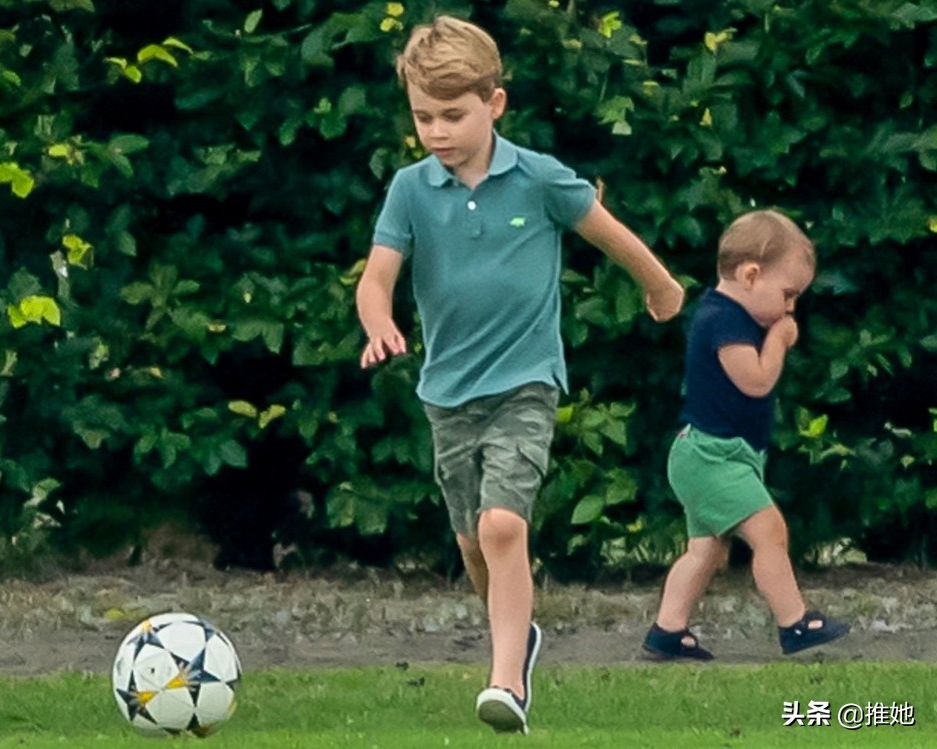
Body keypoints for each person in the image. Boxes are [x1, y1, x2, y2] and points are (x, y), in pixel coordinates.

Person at [355, 15, 684, 734]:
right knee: (475, 541)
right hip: (446, 393)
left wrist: (661, 286)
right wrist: (378, 321)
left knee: (503, 525)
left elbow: (611, 233)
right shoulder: (410, 190)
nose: (436, 131)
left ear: (494, 104)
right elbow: (377, 276)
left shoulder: (538, 177)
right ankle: (521, 633)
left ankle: (507, 680)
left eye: (452, 115)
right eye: (422, 117)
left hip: (526, 381)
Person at [642, 210, 850, 661]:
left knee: (706, 551)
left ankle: (667, 630)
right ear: (751, 275)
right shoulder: (723, 320)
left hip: (719, 455)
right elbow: (753, 380)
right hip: (711, 456)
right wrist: (778, 340)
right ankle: (795, 622)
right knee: (769, 531)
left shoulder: (729, 315)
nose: (791, 308)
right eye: (788, 294)